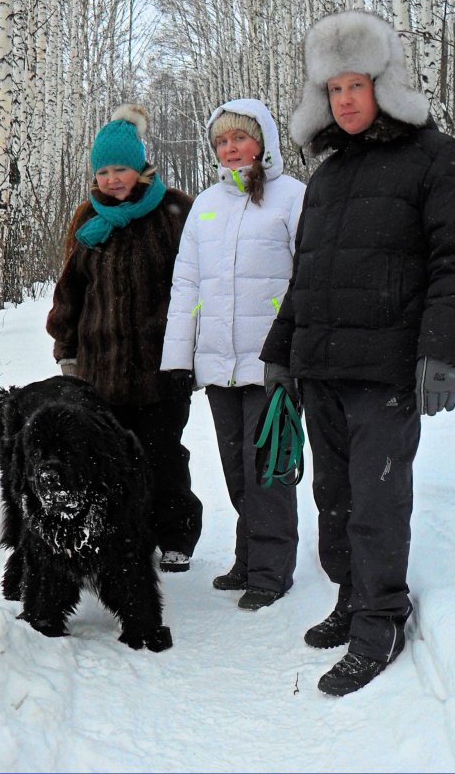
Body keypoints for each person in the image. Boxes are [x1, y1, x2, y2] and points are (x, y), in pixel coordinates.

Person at [260, 11, 455, 694]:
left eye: (356, 85)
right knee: (331, 497)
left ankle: (382, 617)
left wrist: (439, 353)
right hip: (320, 366)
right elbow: (307, 275)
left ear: (383, 86)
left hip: (386, 368)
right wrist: (279, 354)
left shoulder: (436, 158)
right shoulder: (326, 175)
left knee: (375, 502)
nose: (345, 100)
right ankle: (351, 595)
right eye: (333, 90)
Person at [161, 99, 306, 610]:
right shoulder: (206, 204)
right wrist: (179, 360)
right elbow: (187, 283)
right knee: (236, 467)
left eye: (239, 138)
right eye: (221, 141)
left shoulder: (292, 198)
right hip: (219, 362)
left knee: (268, 467)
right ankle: (248, 557)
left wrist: (294, 355)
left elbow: (307, 280)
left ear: (262, 140)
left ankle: (271, 570)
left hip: (272, 361)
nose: (230, 149)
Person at [46, 104, 203, 573]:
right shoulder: (86, 221)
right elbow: (70, 290)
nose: (113, 179)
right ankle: (122, 536)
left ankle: (175, 535)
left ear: (141, 167)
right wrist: (67, 350)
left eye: (121, 168)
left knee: (163, 455)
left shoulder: (176, 212)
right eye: (104, 171)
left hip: (162, 367)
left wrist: (192, 353)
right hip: (100, 370)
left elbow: (199, 286)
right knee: (108, 461)